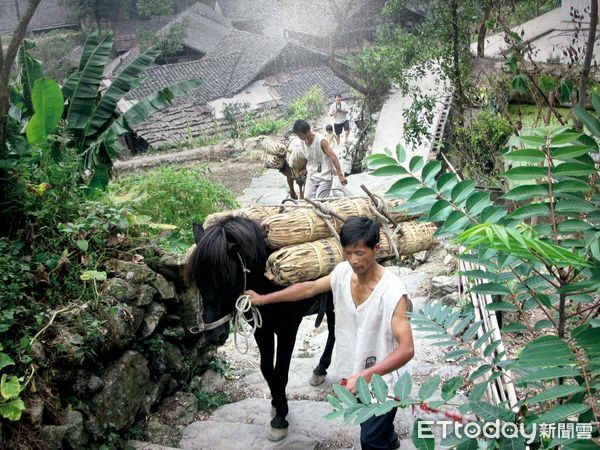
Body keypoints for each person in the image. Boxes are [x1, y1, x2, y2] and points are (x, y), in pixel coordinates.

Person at [246, 216, 414, 450]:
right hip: (357, 372)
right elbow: (309, 288)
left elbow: (407, 349)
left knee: (370, 439)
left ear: (377, 249)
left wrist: (368, 375)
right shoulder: (343, 273)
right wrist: (264, 299)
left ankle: (384, 438)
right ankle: (391, 438)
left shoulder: (393, 293)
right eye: (348, 253)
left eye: (360, 253)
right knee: (378, 428)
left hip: (385, 379)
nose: (353, 260)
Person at [292, 119, 347, 199]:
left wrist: (340, 175)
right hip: (312, 175)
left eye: (300, 135)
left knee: (320, 200)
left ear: (307, 131)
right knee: (307, 198)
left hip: (324, 176)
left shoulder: (321, 141)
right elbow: (307, 158)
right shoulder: (302, 142)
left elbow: (333, 157)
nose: (300, 138)